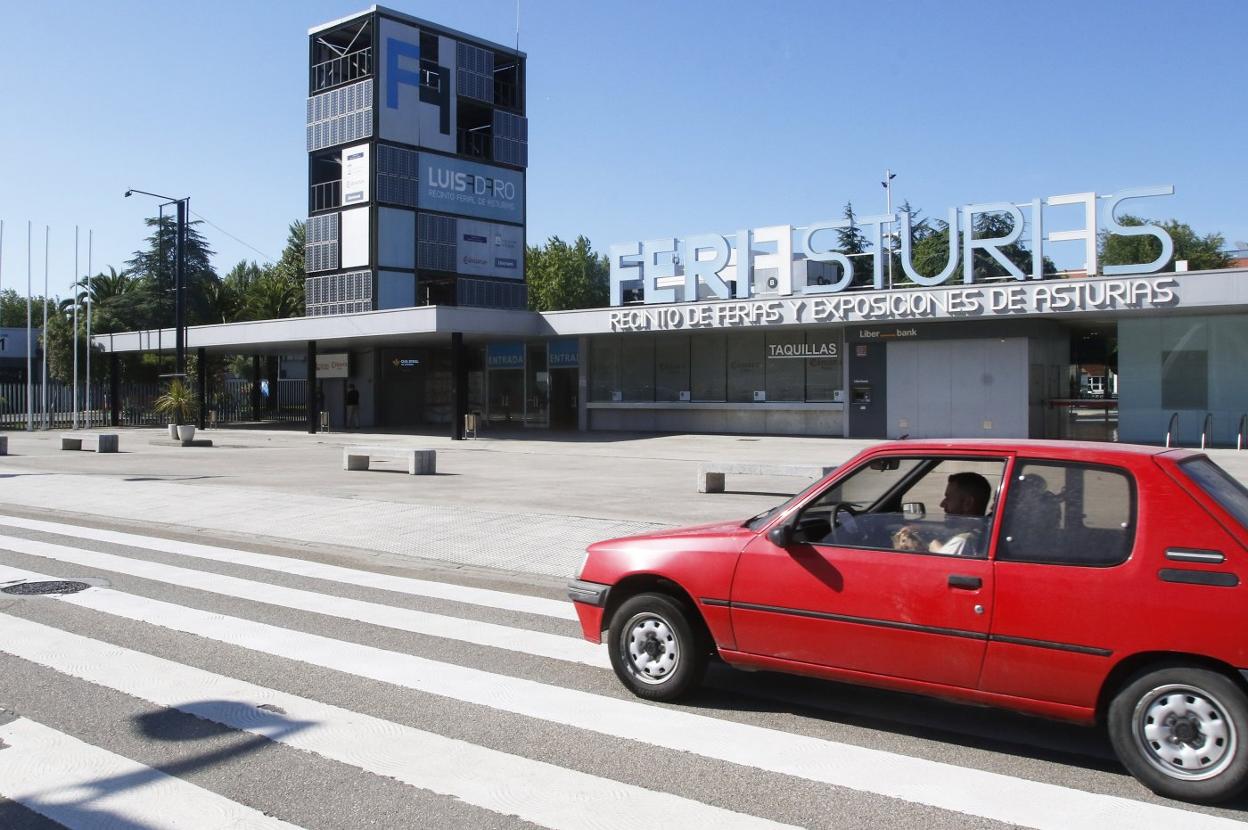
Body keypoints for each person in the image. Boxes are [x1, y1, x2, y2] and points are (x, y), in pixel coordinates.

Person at [927, 472, 992, 556]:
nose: (942, 504)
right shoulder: (982, 534)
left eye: (948, 498)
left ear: (967, 503)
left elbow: (941, 565)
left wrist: (933, 548)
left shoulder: (963, 541)